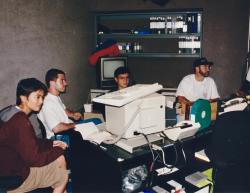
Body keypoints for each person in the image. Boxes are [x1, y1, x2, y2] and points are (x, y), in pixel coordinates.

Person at [0, 78, 68, 193]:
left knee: (57, 160)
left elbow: (27, 140)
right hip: (13, 178)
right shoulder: (21, 121)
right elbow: (34, 159)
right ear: (23, 98)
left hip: (5, 170)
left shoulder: (9, 111)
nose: (41, 101)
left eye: (42, 97)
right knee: (62, 175)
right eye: (37, 97)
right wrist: (59, 150)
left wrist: (50, 143)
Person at [38, 68, 82, 139]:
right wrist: (74, 125)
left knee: (95, 121)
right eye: (62, 81)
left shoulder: (55, 96)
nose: (66, 83)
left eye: (65, 80)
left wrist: (73, 115)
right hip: (61, 137)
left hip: (68, 129)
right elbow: (56, 128)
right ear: (52, 83)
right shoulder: (47, 103)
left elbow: (63, 110)